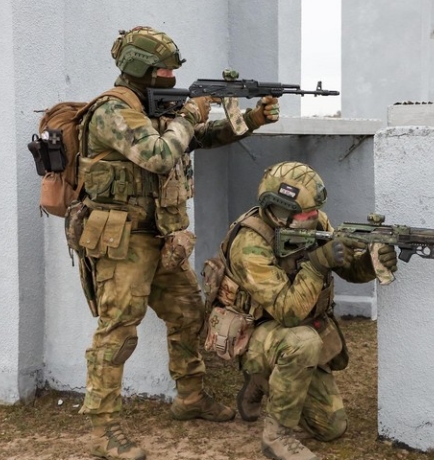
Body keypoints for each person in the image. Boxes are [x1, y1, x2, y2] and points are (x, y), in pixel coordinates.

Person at [73, 26, 280, 460]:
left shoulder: (159, 108)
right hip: (122, 242)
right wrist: (189, 113)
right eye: (163, 69)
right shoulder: (114, 111)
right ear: (140, 69)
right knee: (118, 332)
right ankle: (102, 428)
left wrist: (253, 119)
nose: (170, 75)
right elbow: (160, 154)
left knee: (188, 313)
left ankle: (190, 398)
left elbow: (195, 141)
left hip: (163, 239)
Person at [211, 161, 398, 460]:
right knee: (303, 341)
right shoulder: (250, 243)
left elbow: (347, 267)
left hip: (288, 334)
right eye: (306, 213)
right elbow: (290, 312)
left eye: (315, 212)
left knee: (332, 427)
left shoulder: (314, 223)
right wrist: (317, 263)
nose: (314, 218)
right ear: (278, 209)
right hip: (251, 334)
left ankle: (261, 382)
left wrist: (370, 263)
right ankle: (277, 436)